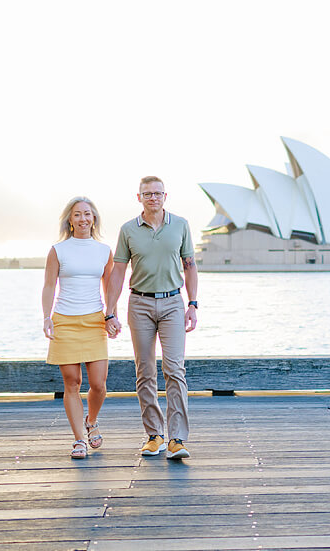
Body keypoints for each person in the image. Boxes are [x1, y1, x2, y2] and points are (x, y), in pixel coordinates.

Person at [105, 176, 198, 460]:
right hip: (139, 303)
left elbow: (190, 266)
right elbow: (118, 272)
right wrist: (110, 311)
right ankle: (154, 436)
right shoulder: (128, 229)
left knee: (174, 369)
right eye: (148, 194)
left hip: (172, 302)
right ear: (139, 197)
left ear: (165, 196)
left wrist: (192, 304)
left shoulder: (180, 225)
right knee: (144, 371)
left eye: (157, 193)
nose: (153, 198)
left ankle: (177, 439)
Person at [42, 196, 118, 459]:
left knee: (99, 384)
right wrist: (46, 317)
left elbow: (109, 288)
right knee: (72, 383)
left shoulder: (104, 250)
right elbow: (49, 285)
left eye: (87, 213)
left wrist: (112, 316)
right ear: (70, 220)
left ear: (94, 218)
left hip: (95, 320)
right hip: (65, 320)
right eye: (77, 214)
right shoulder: (58, 250)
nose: (83, 218)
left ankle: (91, 420)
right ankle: (78, 440)